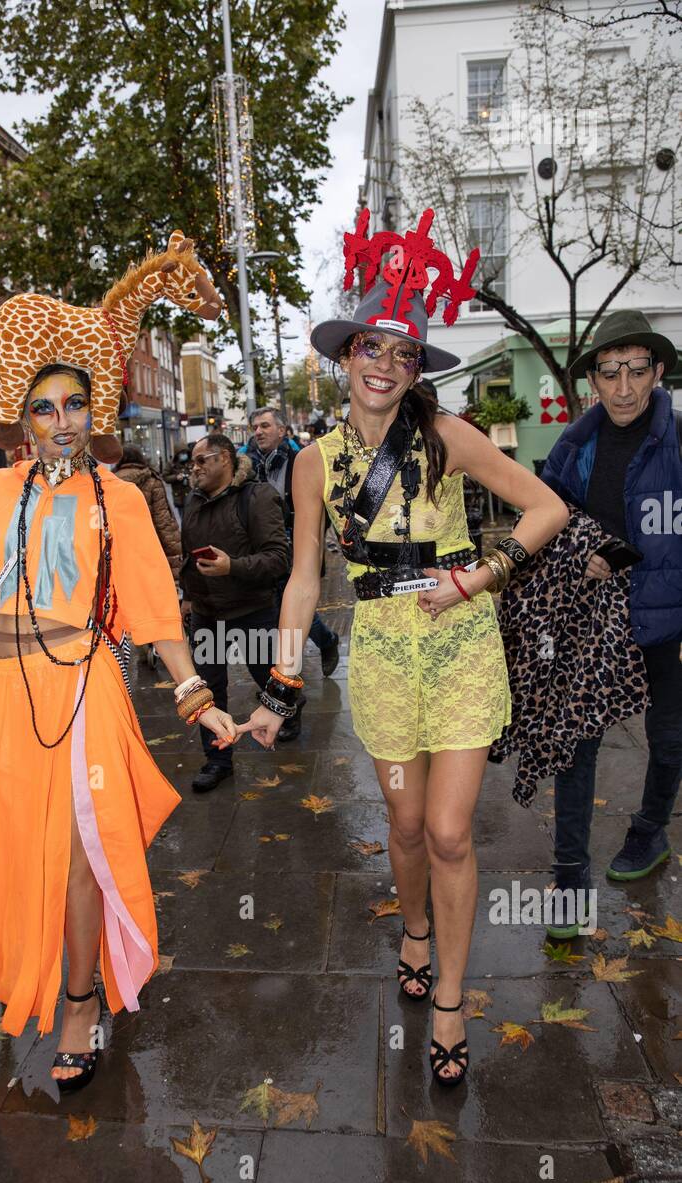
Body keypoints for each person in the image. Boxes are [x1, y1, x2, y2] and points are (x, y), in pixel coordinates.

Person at [237, 215, 568, 1086]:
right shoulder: (311, 461)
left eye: (403, 354)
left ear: (418, 369)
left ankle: (452, 999)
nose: (385, 365)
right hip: (381, 653)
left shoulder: (447, 437)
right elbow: (303, 581)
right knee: (408, 824)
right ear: (344, 359)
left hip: (459, 643)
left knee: (452, 832)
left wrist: (479, 578)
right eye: (370, 349)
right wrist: (279, 686)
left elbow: (546, 512)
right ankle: (414, 927)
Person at [0, 239, 240, 1094]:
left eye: (76, 403)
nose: (63, 420)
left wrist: (195, 697)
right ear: (22, 418)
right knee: (22, 854)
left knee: (80, 854)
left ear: (93, 408)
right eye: (45, 408)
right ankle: (47, 979)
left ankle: (80, 1003)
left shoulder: (117, 498)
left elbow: (152, 611)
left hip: (84, 693)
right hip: (7, 698)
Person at [536, 309, 682, 896]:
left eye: (636, 371)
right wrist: (581, 552)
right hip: (592, 616)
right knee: (577, 740)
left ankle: (649, 830)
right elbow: (543, 522)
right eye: (609, 372)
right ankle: (570, 872)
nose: (623, 387)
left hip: (667, 620)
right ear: (592, 380)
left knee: (670, 740)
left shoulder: (678, 443)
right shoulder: (573, 447)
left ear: (658, 372)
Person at [180, 432, 291, 791]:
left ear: (225, 459)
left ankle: (290, 708)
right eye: (192, 461)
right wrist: (187, 597)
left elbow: (278, 558)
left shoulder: (256, 497)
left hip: (251, 611)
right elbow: (188, 557)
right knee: (208, 689)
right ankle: (217, 760)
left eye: (202, 460)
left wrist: (234, 567)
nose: (194, 468)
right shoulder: (194, 501)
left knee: (266, 676)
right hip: (206, 613)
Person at [239, 408, 340, 687]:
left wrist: (310, 544)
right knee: (273, 607)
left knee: (288, 602)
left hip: (293, 544)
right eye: (255, 427)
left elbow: (323, 508)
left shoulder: (299, 461)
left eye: (265, 426)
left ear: (282, 430)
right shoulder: (246, 465)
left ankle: (315, 648)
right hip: (258, 546)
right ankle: (282, 673)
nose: (258, 431)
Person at [112, 444, 183, 668]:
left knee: (129, 600)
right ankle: (157, 644)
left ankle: (141, 647)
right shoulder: (152, 482)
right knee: (153, 599)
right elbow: (163, 522)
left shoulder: (110, 484)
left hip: (121, 553)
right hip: (150, 550)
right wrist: (175, 555)